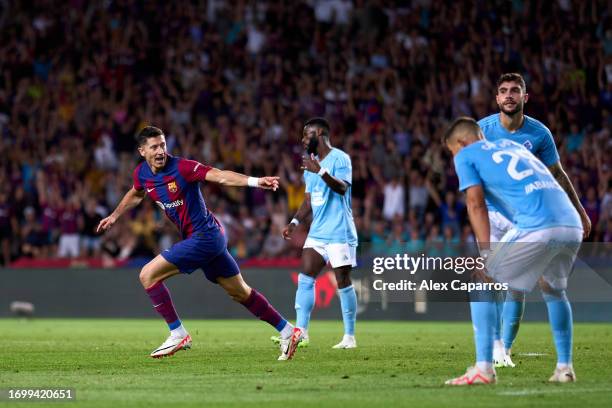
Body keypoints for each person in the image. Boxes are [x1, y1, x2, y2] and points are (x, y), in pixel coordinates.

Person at [96, 126, 300, 361]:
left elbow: (220, 175)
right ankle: (287, 331)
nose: (161, 151)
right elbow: (136, 193)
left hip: (204, 237)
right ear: (142, 151)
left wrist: (255, 182)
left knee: (147, 275)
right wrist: (114, 216)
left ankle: (177, 333)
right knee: (240, 292)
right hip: (209, 238)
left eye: (163, 145)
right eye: (154, 147)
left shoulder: (182, 167)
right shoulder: (142, 173)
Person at [444, 117, 582, 385]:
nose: (454, 158)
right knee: (554, 290)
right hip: (570, 223)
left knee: (480, 278)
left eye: (452, 151)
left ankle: (483, 369)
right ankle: (565, 368)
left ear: (461, 142)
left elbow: (475, 205)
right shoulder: (511, 146)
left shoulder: (467, 154)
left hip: (540, 225)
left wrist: (486, 257)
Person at [477, 73, 591, 367]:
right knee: (490, 281)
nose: (509, 96)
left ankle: (504, 351)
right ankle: (494, 345)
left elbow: (558, 174)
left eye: (515, 91)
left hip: (523, 216)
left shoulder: (539, 134)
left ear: (525, 97)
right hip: (491, 215)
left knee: (515, 284)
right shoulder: (483, 130)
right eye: (503, 91)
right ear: (497, 98)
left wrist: (579, 210)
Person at [275, 117, 359, 352]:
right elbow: (309, 199)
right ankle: (301, 333)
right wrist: (294, 221)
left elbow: (342, 187)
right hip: (318, 232)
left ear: (319, 133)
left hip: (340, 231)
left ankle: (349, 336)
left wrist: (320, 170)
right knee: (305, 277)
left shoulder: (340, 159)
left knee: (343, 282)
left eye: (306, 135)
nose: (302, 140)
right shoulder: (310, 164)